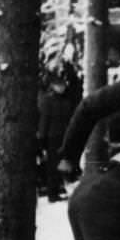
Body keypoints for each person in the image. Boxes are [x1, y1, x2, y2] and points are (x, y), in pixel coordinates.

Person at [37, 66, 79, 201]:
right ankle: (52, 193)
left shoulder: (66, 100)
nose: (61, 87)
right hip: (52, 137)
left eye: (62, 84)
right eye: (58, 85)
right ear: (52, 86)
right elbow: (44, 120)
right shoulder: (47, 100)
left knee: (64, 163)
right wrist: (42, 138)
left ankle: (60, 188)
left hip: (64, 135)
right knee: (52, 165)